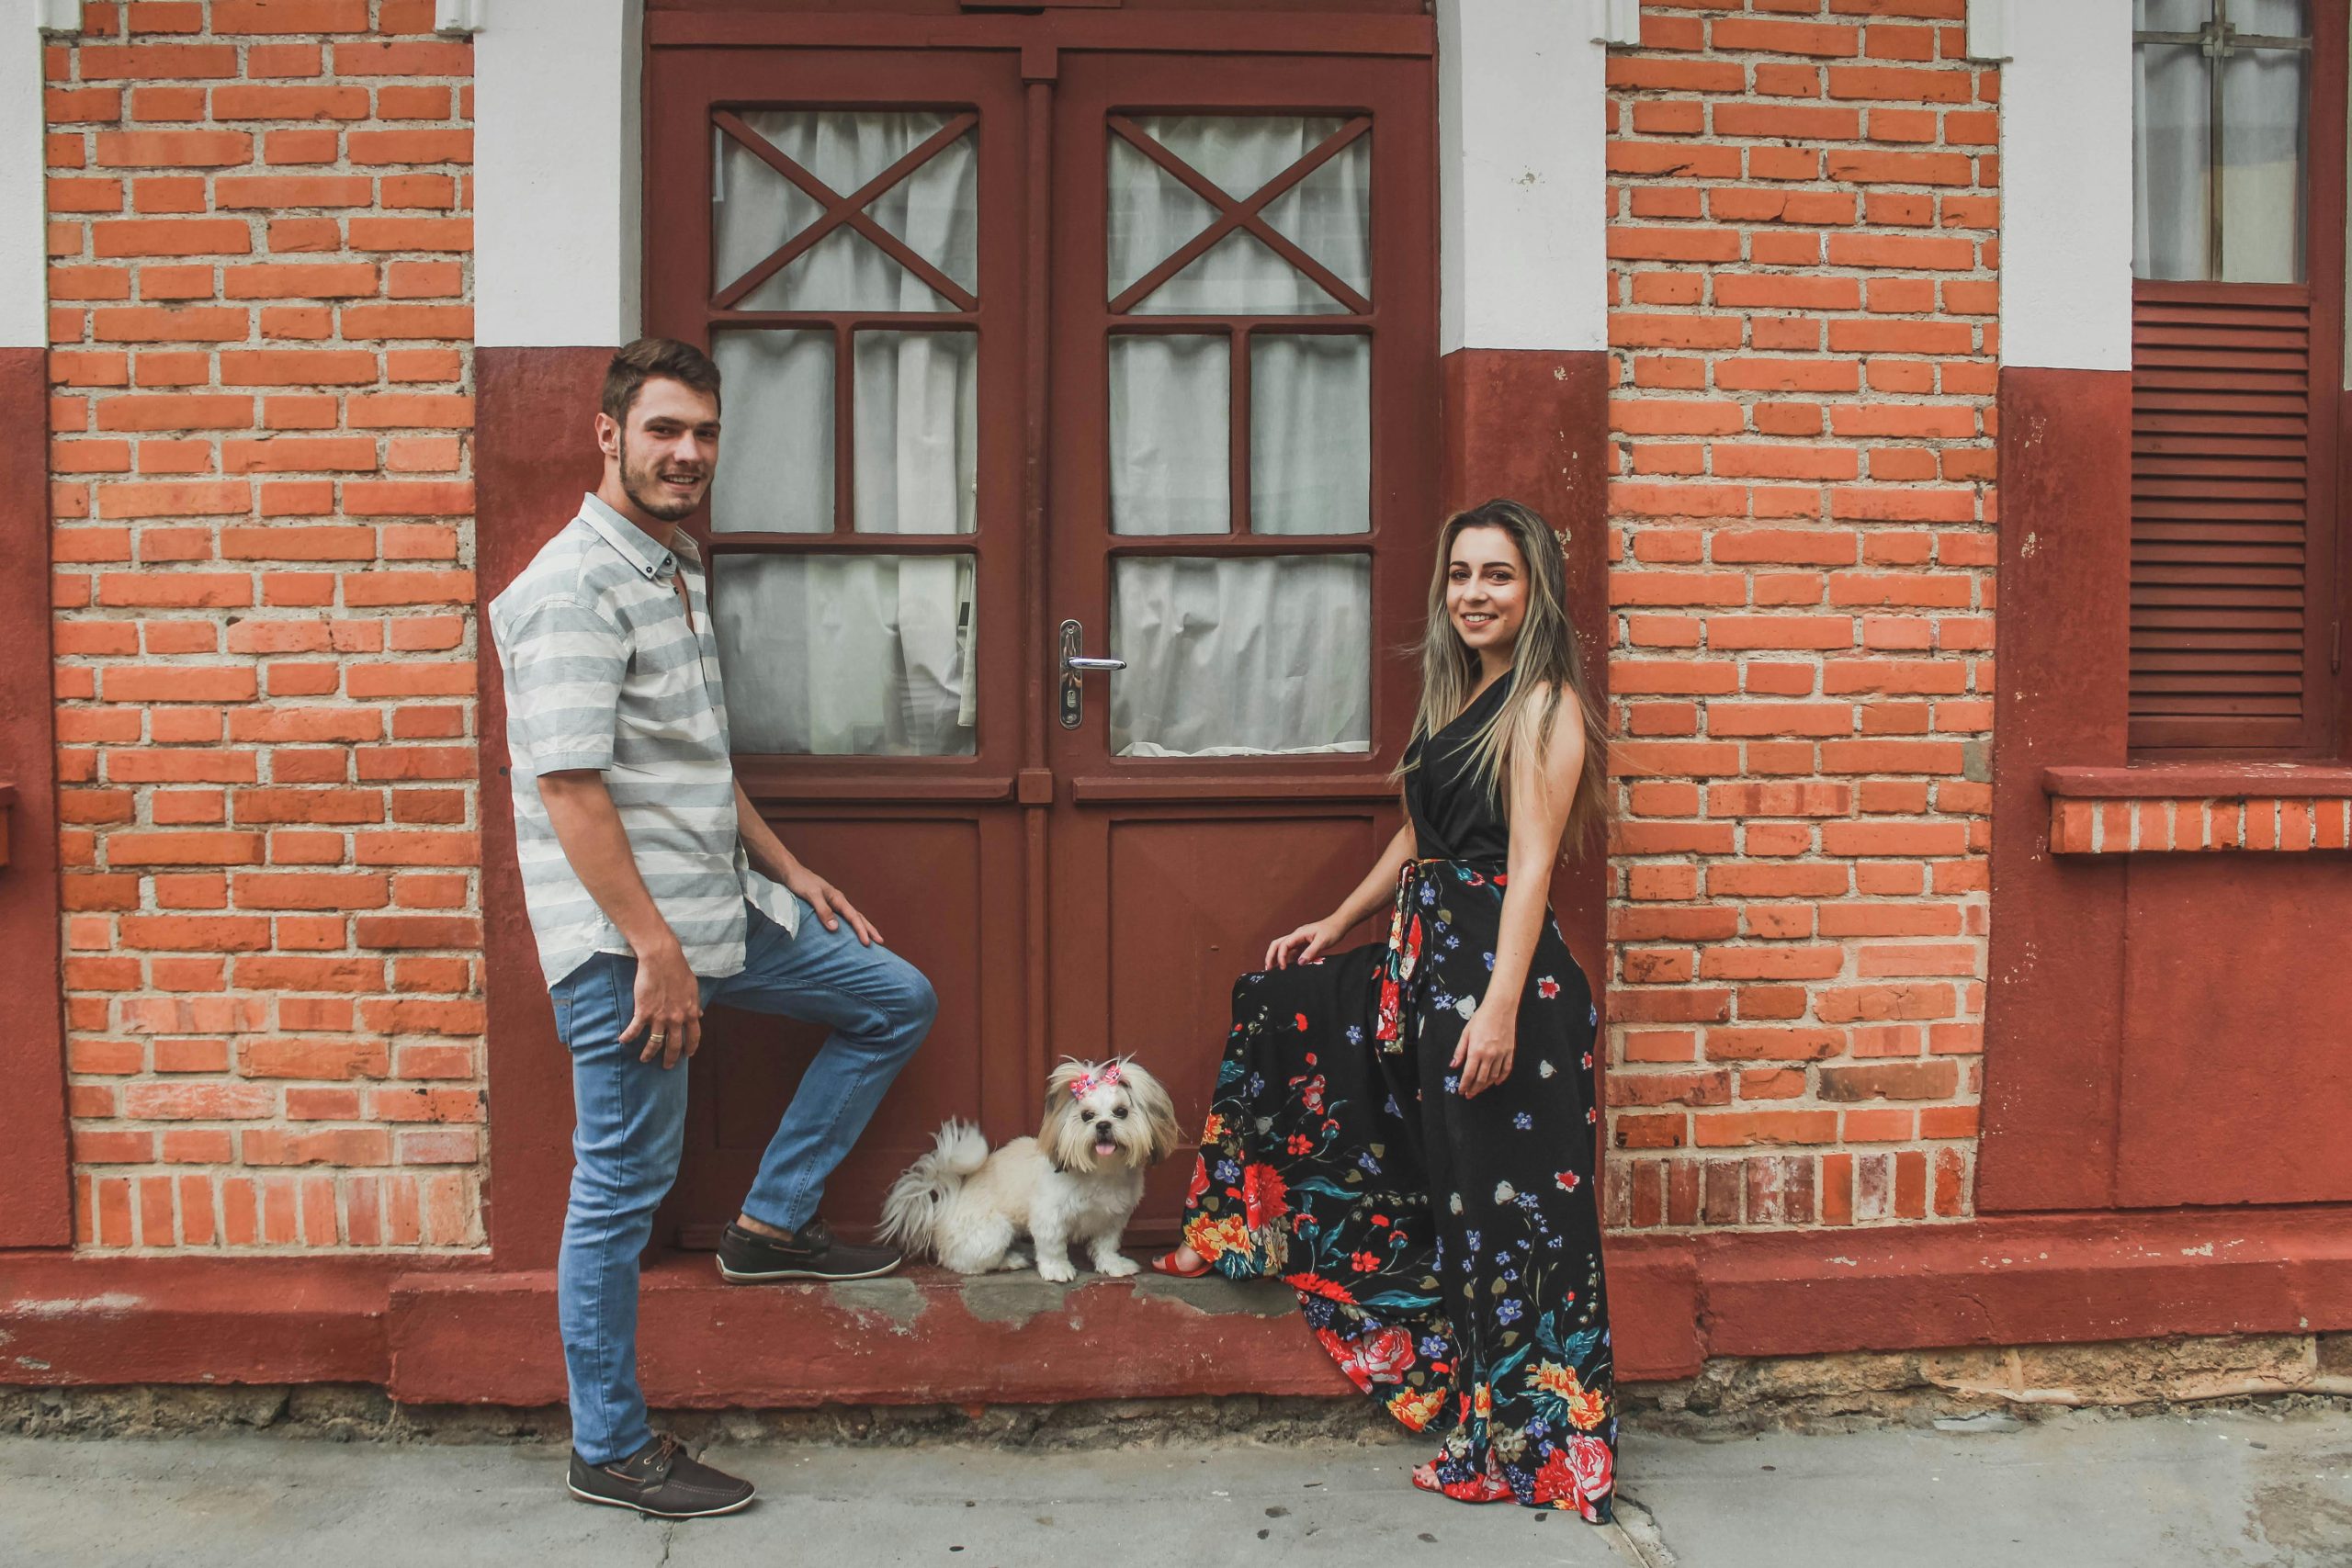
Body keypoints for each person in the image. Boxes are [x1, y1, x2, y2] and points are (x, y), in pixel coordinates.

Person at [488, 337, 937, 1519]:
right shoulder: (571, 587)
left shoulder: (664, 565)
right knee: (620, 1190)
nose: (686, 453)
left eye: (703, 434)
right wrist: (652, 951)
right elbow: (573, 789)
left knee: (891, 997)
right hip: (628, 950)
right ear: (607, 433)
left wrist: (791, 870)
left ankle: (770, 1224)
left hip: (714, 911)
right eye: (662, 431)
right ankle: (612, 1448)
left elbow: (694, 762)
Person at [1154, 499, 1618, 1521]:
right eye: (1460, 575)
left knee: (1511, 1221)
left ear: (1535, 589)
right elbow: (1419, 840)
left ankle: (1539, 1448)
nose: (1473, 595)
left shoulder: (1542, 706)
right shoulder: (1465, 700)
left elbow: (1532, 869)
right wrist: (1337, 918)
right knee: (1284, 1005)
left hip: (1502, 983)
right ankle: (1243, 1225)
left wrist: (1496, 1010)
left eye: (1496, 576)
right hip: (1427, 966)